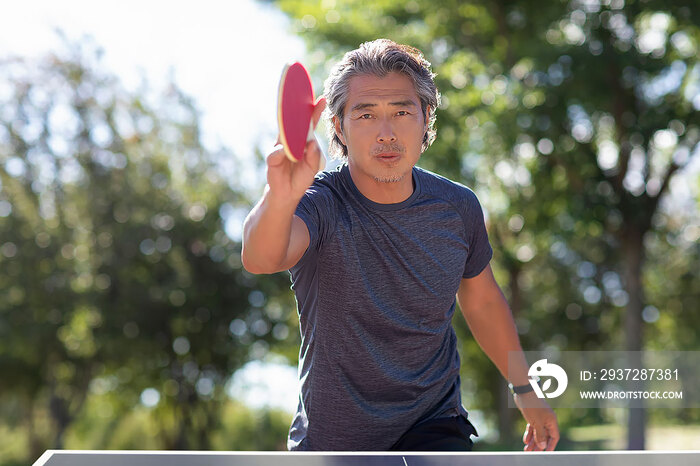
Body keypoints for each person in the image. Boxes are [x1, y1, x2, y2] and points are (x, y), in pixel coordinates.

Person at [242, 38, 559, 451]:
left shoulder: (458, 206)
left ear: (426, 117)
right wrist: (281, 195)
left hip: (435, 424)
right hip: (334, 441)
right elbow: (261, 257)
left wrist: (526, 388)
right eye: (367, 114)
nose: (386, 133)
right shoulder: (317, 204)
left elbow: (481, 301)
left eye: (402, 112)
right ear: (338, 125)